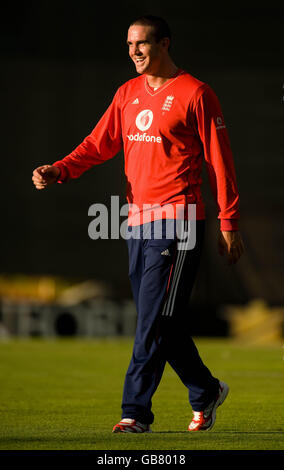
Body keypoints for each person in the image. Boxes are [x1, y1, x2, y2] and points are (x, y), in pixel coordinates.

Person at [32, 15, 244, 433]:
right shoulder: (127, 93)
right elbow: (99, 143)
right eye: (129, 45)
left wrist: (229, 220)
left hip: (180, 221)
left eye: (142, 43)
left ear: (164, 43)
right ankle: (205, 390)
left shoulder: (196, 93)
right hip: (137, 223)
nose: (134, 52)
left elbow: (221, 162)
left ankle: (135, 413)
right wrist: (61, 169)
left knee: (155, 320)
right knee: (160, 320)